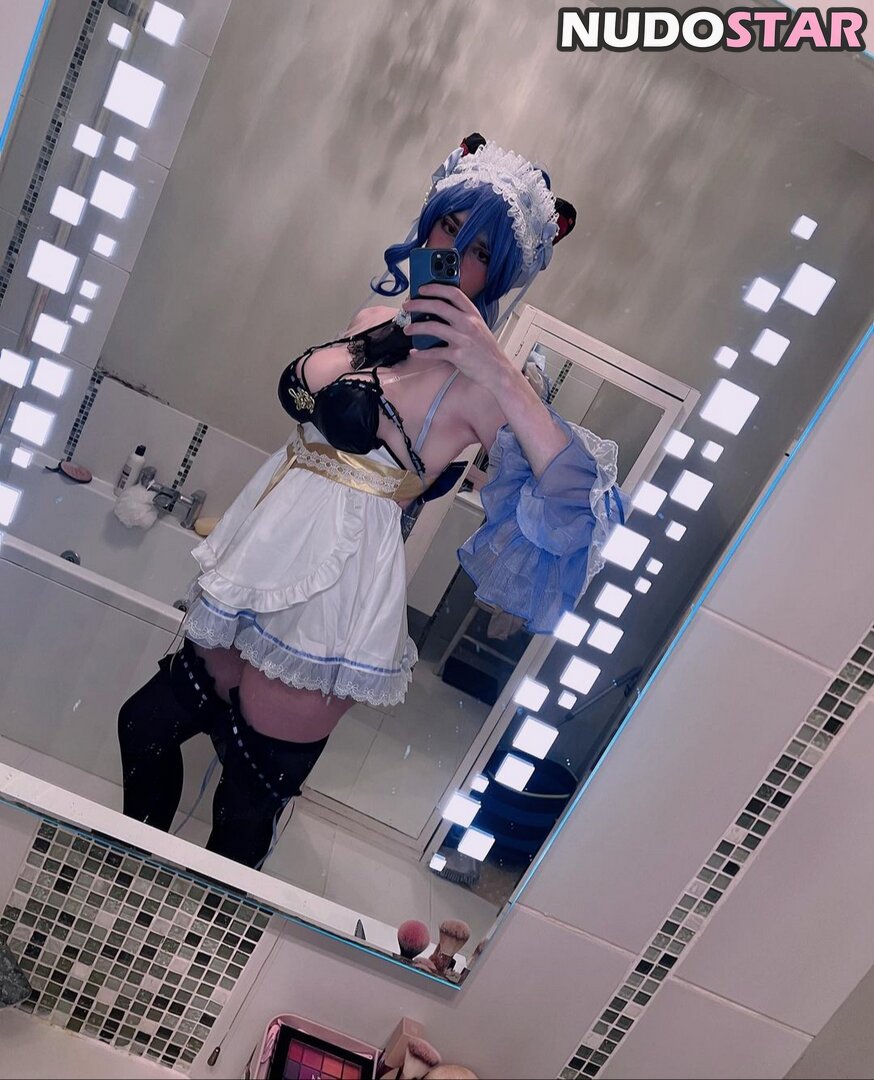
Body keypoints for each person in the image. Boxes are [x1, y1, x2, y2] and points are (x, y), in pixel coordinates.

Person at [117, 133, 626, 869]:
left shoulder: (480, 389)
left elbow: (578, 503)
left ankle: (191, 924)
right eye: (448, 227)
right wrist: (378, 343)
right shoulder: (370, 321)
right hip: (261, 562)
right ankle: (121, 875)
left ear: (499, 275)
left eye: (479, 249)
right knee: (144, 725)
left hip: (332, 603)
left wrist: (499, 369)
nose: (453, 252)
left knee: (243, 807)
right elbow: (304, 395)